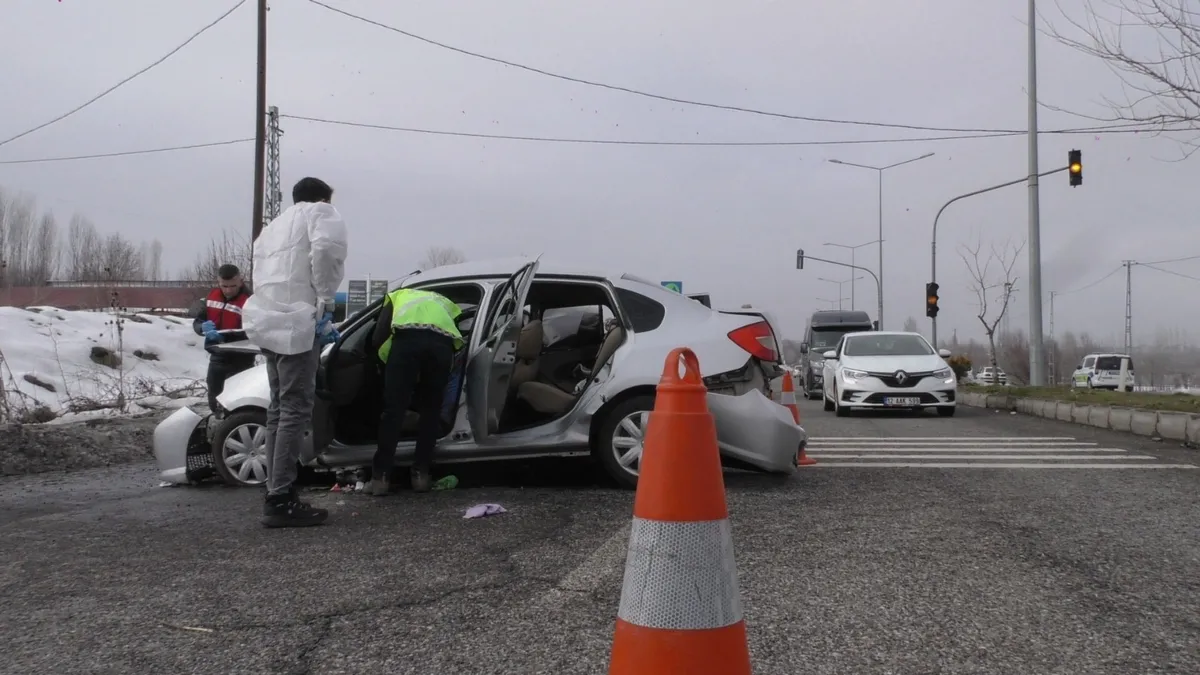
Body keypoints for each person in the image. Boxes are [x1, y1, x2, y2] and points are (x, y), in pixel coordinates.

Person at [242, 177, 348, 528]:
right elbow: (327, 253)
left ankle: (275, 488)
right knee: (295, 410)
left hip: (268, 324)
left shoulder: (272, 228)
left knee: (277, 411)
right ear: (323, 197)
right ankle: (281, 498)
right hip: (298, 324)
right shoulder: (321, 212)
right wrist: (325, 299)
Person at [365, 287, 462, 496]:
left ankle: (380, 478)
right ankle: (421, 477)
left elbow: (378, 336)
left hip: (407, 343)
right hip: (441, 347)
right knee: (431, 411)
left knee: (393, 411)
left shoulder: (397, 295)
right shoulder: (444, 300)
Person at [192, 264, 256, 413]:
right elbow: (198, 320)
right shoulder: (211, 297)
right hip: (217, 356)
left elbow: (254, 331)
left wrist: (227, 335)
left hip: (241, 359)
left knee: (239, 402)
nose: (228, 290)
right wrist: (202, 327)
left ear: (241, 281)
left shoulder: (251, 301)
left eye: (232, 286)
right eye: (224, 286)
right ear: (218, 282)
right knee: (214, 400)